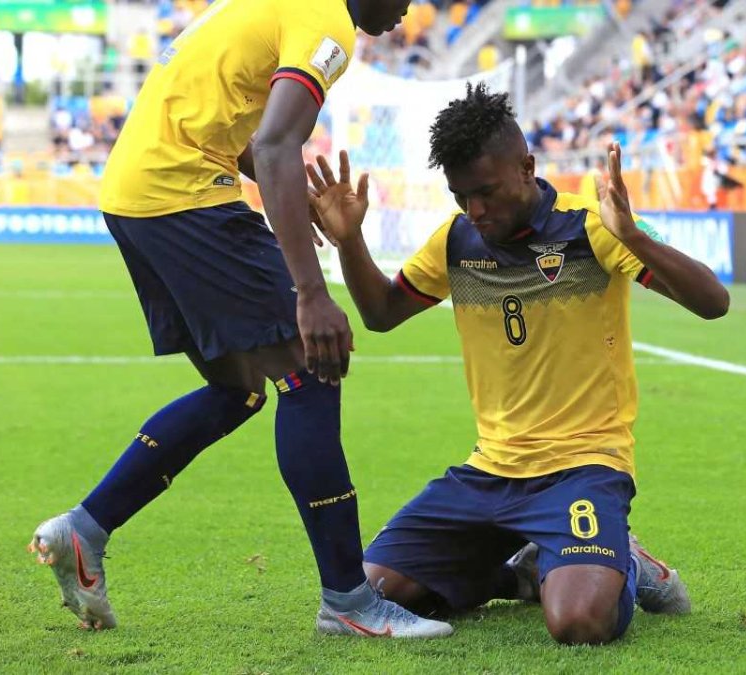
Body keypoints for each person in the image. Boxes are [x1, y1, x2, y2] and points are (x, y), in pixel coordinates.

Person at [28, 0, 452, 639]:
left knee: (238, 390)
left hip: (134, 195)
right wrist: (310, 293)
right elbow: (279, 142)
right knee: (314, 366)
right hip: (182, 193)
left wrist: (304, 204)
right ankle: (349, 602)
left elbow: (247, 136)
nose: (407, 9)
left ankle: (83, 532)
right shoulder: (329, 23)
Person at [307, 84, 730, 645]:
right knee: (373, 589)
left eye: (486, 192)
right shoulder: (457, 240)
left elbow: (713, 302)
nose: (475, 210)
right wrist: (349, 241)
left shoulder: (590, 227)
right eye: (461, 196)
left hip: (583, 465)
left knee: (578, 623)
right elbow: (381, 313)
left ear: (527, 167)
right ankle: (523, 571)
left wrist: (632, 235)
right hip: (489, 472)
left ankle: (626, 562)